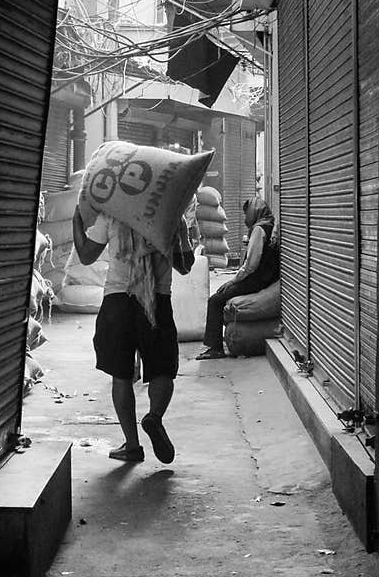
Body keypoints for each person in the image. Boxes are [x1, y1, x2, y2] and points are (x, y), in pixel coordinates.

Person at [72, 203, 195, 464]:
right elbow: (185, 266)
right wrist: (182, 231)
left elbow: (86, 256)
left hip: (118, 300)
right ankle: (154, 417)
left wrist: (77, 221)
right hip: (157, 301)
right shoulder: (169, 215)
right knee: (162, 369)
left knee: (121, 374)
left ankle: (132, 445)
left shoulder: (112, 213)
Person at [196, 196, 280, 360]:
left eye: (246, 213)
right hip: (266, 279)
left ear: (254, 212)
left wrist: (233, 281)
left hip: (255, 280)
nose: (245, 218)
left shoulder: (259, 230)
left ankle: (215, 348)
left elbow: (251, 265)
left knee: (215, 300)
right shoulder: (271, 226)